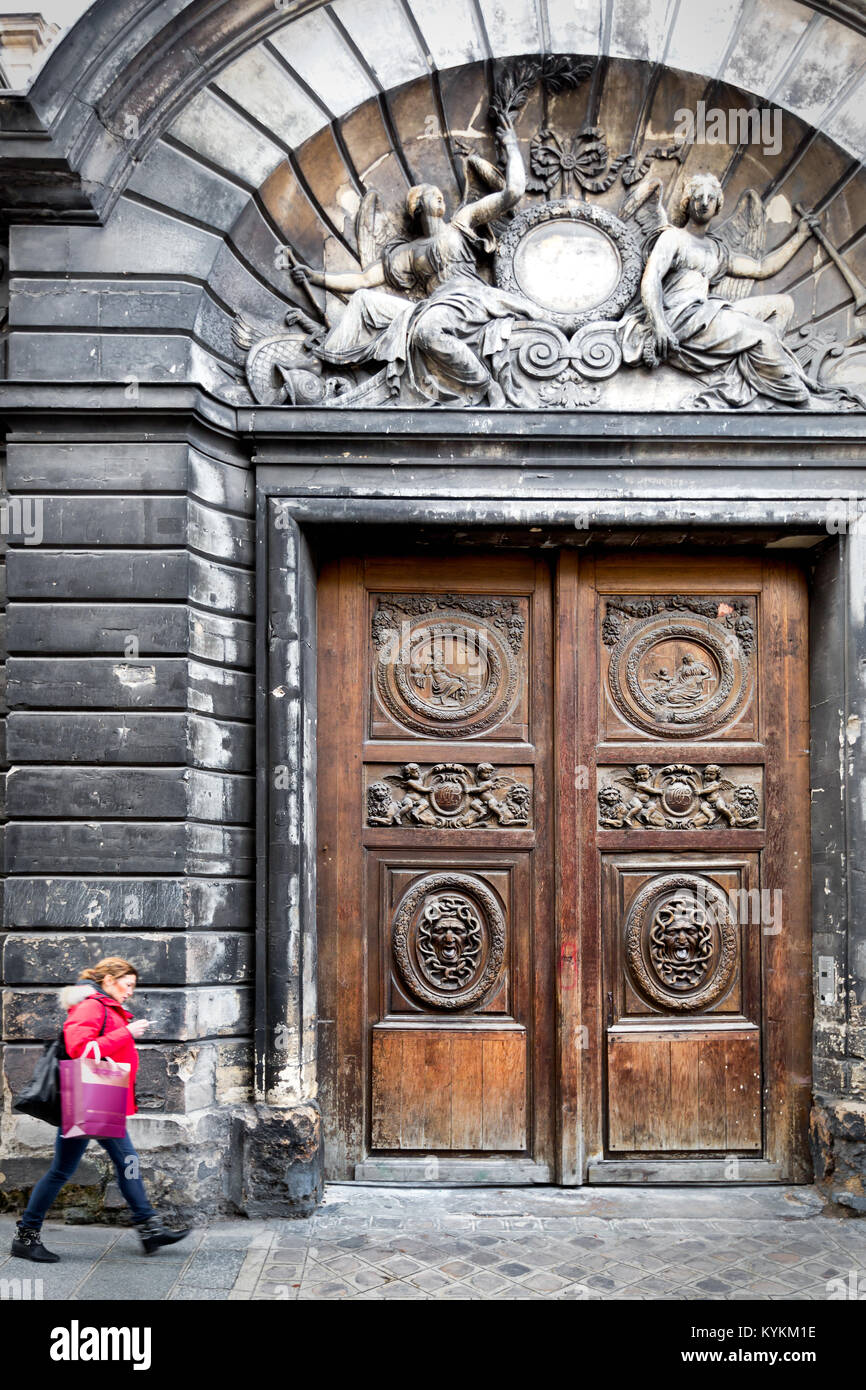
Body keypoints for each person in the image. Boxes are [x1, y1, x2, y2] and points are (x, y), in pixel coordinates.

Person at [289, 115, 537, 406]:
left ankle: (486, 386)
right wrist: (315, 277)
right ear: (417, 205)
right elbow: (363, 280)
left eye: (441, 196)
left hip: (470, 297)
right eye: (433, 195)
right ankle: (329, 359)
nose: (441, 199)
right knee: (364, 299)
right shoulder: (407, 253)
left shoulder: (462, 222)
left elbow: (513, 192)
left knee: (427, 330)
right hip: (435, 304)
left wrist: (510, 143)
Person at [11, 956, 190, 1262]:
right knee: (62, 1171)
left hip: (102, 1099)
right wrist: (127, 1033)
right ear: (108, 979)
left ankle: (149, 1227)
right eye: (128, 984)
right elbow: (80, 1049)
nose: (130, 991)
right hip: (87, 1099)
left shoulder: (104, 1005)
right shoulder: (91, 1005)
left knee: (127, 1161)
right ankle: (26, 1237)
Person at [622, 171, 848, 408]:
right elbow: (651, 279)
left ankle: (750, 372)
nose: (704, 203)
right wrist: (659, 324)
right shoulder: (673, 238)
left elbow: (761, 268)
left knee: (782, 306)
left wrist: (800, 237)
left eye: (710, 198)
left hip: (705, 314)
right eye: (698, 197)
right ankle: (801, 401)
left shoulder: (716, 250)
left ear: (717, 205)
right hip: (680, 318)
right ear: (688, 203)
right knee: (763, 335)